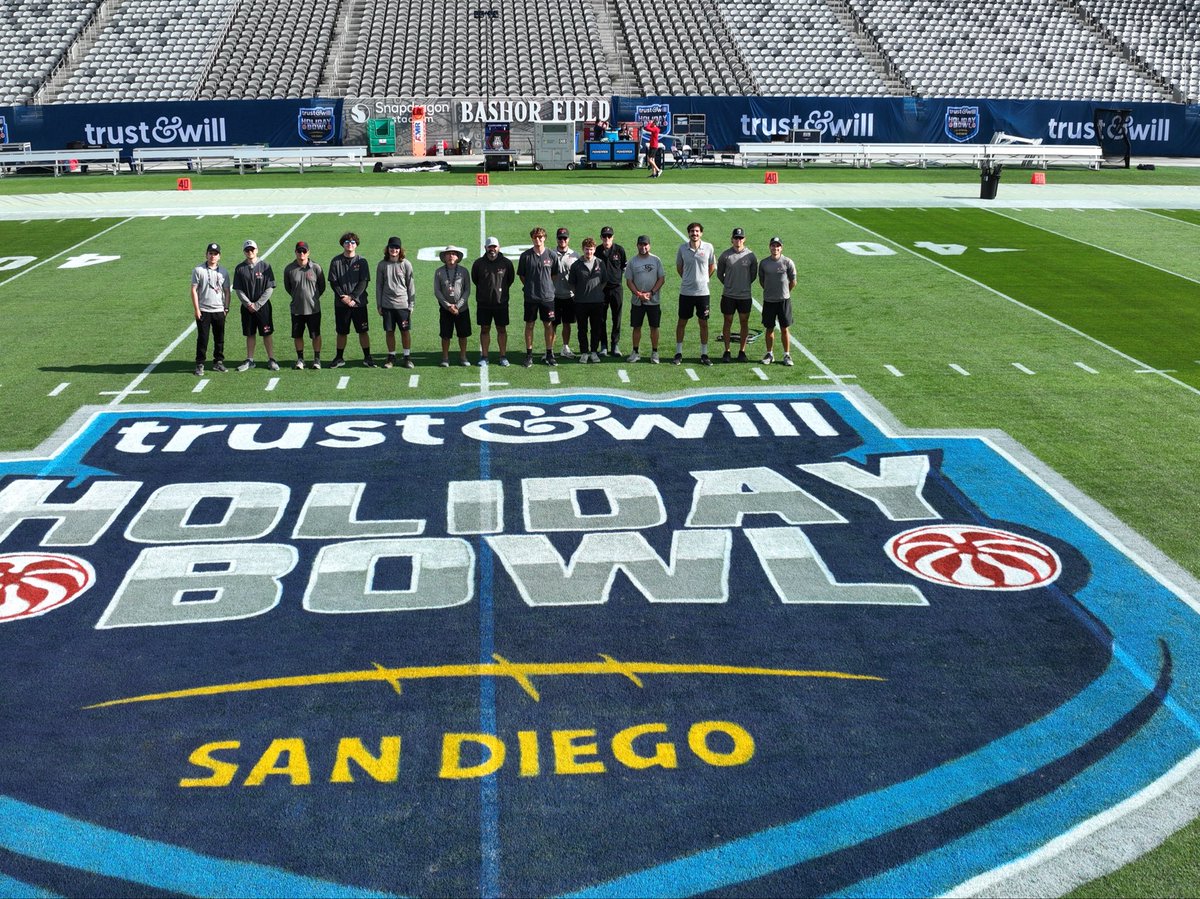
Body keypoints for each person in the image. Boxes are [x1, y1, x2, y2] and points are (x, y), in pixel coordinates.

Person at [328, 231, 374, 368]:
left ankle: (367, 357)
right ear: (343, 244)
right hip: (341, 304)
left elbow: (364, 282)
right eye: (347, 242)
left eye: (352, 242)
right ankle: (339, 357)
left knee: (363, 331)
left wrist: (353, 297)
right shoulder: (336, 261)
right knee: (342, 332)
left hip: (358, 303)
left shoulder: (362, 261)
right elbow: (333, 282)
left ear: (356, 245)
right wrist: (343, 297)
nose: (350, 244)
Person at [673, 221, 716, 366]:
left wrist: (703, 279)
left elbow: (712, 267)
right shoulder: (682, 248)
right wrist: (688, 279)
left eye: (697, 231)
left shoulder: (708, 247)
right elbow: (679, 268)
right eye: (692, 231)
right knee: (682, 322)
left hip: (703, 293)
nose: (695, 233)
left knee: (703, 323)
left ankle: (704, 354)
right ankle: (678, 352)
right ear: (688, 233)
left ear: (701, 233)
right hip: (686, 292)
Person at [233, 239, 279, 371]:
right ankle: (250, 359)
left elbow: (270, 288)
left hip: (263, 306)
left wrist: (257, 304)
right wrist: (248, 304)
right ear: (244, 252)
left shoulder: (265, 266)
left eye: (252, 249)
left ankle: (271, 359)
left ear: (257, 250)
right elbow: (238, 289)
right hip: (247, 308)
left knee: (266, 333)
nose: (250, 252)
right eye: (247, 250)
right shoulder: (240, 268)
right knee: (250, 333)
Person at [716, 227, 759, 363]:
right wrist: (729, 284)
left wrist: (743, 285)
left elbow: (753, 275)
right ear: (732, 239)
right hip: (729, 295)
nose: (738, 240)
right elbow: (719, 273)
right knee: (727, 321)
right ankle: (727, 351)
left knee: (744, 322)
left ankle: (742, 351)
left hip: (744, 296)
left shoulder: (751, 256)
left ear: (744, 239)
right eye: (736, 238)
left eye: (740, 238)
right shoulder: (725, 255)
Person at [471, 235, 515, 366]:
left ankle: (503, 356)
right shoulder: (478, 263)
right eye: (490, 247)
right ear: (485, 248)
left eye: (494, 246)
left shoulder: (506, 263)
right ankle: (484, 356)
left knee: (501, 329)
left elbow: (510, 280)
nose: (492, 249)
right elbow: (475, 280)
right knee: (484, 329)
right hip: (483, 304)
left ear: (498, 247)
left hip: (501, 303)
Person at [517, 226, 557, 366]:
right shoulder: (526, 256)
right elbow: (522, 276)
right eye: (535, 237)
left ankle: (549, 353)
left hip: (547, 297)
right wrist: (530, 286)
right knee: (530, 325)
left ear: (544, 238)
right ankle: (529, 354)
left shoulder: (552, 255)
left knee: (548, 324)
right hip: (531, 297)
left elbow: (554, 275)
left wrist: (546, 286)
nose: (538, 240)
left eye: (540, 237)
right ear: (532, 238)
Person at [283, 240, 325, 369]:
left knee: (315, 335)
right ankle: (300, 359)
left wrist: (314, 298)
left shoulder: (316, 267)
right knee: (298, 335)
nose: (302, 253)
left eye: (304, 251)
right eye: (299, 251)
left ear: (308, 252)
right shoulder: (289, 269)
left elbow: (322, 287)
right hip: (297, 309)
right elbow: (288, 287)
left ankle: (317, 359)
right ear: (295, 252)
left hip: (313, 309)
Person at [376, 236, 416, 369]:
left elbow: (411, 285)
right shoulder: (382, 265)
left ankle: (407, 356)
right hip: (387, 305)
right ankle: (391, 356)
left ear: (400, 249)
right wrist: (379, 304)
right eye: (392, 247)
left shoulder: (406, 264)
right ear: (387, 249)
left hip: (402, 304)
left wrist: (411, 304)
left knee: (405, 331)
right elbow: (379, 285)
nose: (394, 250)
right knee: (389, 331)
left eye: (397, 247)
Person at [190, 242, 230, 376]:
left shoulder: (223, 271)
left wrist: (226, 308)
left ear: (219, 256)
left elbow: (227, 291)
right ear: (206, 254)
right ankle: (200, 363)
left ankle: (218, 362)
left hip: (219, 310)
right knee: (203, 338)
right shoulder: (198, 270)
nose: (213, 256)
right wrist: (197, 309)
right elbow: (194, 290)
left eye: (215, 254)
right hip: (204, 310)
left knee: (219, 338)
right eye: (210, 253)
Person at [758, 235, 798, 366]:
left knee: (784, 328)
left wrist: (785, 292)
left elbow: (793, 282)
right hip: (769, 300)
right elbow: (762, 281)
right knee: (769, 328)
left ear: (781, 248)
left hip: (783, 301)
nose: (775, 248)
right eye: (773, 245)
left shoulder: (788, 262)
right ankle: (769, 354)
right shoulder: (764, 263)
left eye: (778, 246)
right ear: (769, 247)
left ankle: (787, 355)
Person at [624, 235, 665, 364]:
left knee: (654, 327)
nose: (643, 247)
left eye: (645, 244)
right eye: (641, 244)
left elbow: (661, 279)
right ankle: (635, 352)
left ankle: (654, 352)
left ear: (649, 245)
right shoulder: (632, 262)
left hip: (653, 300)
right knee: (636, 327)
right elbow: (629, 281)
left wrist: (651, 292)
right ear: (637, 245)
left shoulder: (656, 260)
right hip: (637, 301)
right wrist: (638, 294)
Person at [568, 237, 606, 363]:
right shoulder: (576, 265)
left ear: (594, 249)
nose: (588, 252)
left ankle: (594, 352)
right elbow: (572, 283)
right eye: (586, 249)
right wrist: (578, 294)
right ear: (582, 249)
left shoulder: (600, 263)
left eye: (591, 249)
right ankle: (584, 352)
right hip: (581, 302)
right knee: (582, 329)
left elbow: (604, 281)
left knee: (596, 328)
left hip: (597, 302)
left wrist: (597, 292)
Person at [434, 245, 472, 367]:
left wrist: (458, 306)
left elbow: (467, 291)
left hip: (462, 309)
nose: (451, 256)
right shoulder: (439, 272)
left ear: (457, 257)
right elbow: (437, 291)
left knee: (463, 335)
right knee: (445, 335)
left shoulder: (464, 271)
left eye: (453, 253)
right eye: (448, 254)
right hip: (446, 310)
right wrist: (448, 306)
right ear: (444, 257)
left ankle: (463, 356)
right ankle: (445, 357)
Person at [596, 225, 628, 357]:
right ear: (601, 237)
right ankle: (603, 345)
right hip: (601, 289)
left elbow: (623, 267)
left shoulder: (619, 250)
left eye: (609, 236)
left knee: (617, 317)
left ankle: (615, 344)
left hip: (616, 289)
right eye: (604, 236)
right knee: (601, 318)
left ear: (613, 237)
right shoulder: (597, 250)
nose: (607, 239)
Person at [551, 227, 579, 358]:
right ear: (556, 239)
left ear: (568, 239)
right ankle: (549, 349)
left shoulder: (575, 255)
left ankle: (565, 347)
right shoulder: (550, 254)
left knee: (567, 323)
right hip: (553, 295)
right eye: (560, 238)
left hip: (570, 295)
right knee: (553, 323)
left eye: (564, 238)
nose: (562, 240)